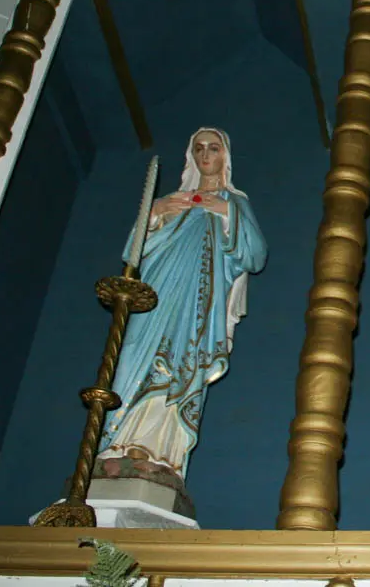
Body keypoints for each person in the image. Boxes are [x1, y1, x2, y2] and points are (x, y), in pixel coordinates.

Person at [97, 127, 268, 479]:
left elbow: (255, 256)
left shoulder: (234, 202)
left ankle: (161, 454)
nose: (206, 155)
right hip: (155, 298)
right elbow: (132, 254)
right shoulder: (170, 201)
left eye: (214, 148)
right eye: (199, 148)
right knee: (134, 360)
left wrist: (225, 212)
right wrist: (155, 212)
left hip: (197, 302)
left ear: (225, 157)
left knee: (180, 365)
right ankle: (116, 444)